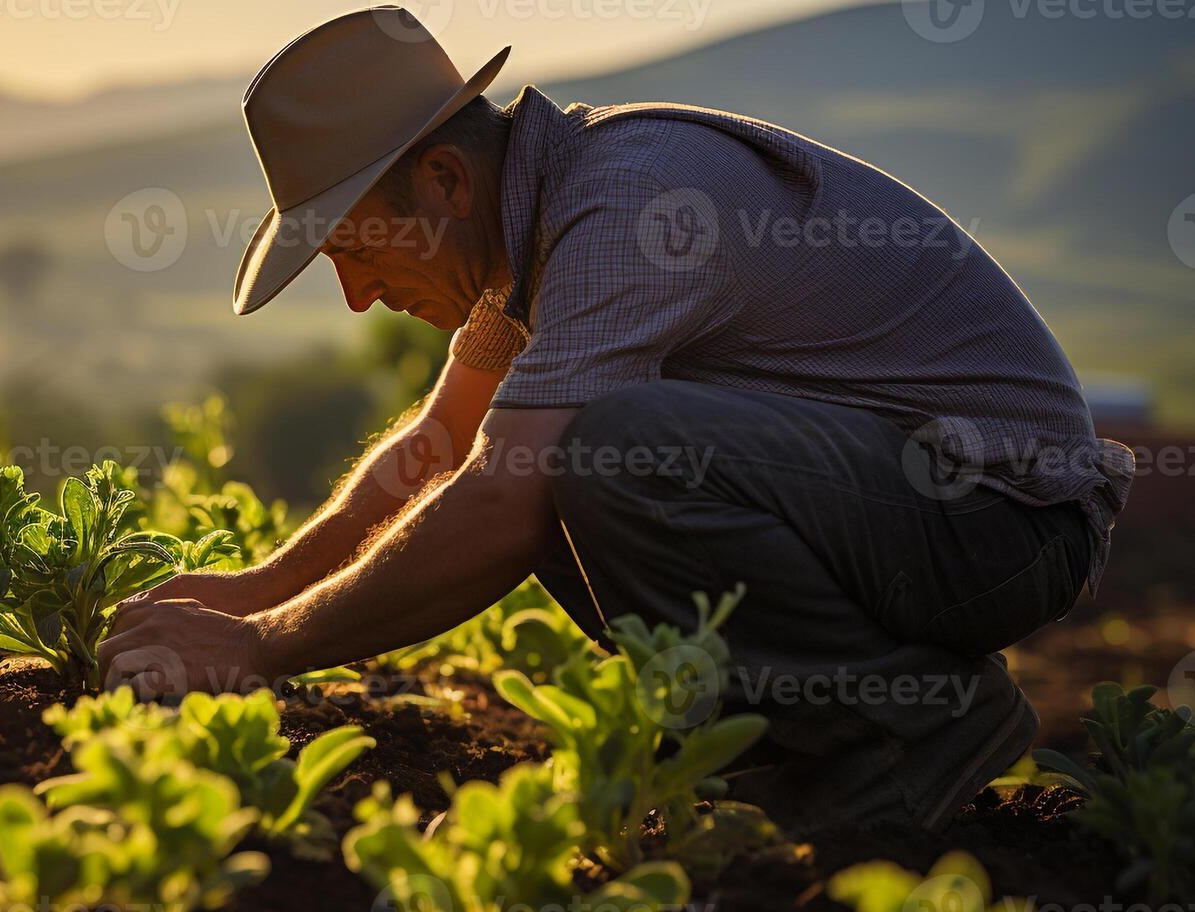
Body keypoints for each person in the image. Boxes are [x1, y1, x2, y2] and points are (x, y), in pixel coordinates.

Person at [96, 6, 1133, 831]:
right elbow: (438, 448)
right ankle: (800, 736)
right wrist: (254, 590)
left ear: (445, 179)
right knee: (562, 451)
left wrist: (261, 647)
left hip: (998, 513)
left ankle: (905, 729)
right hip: (897, 503)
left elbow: (498, 498)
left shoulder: (628, 204)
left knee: (597, 455)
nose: (359, 298)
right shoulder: (530, 226)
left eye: (354, 252)